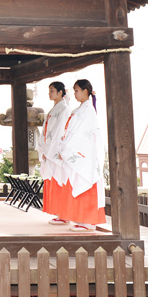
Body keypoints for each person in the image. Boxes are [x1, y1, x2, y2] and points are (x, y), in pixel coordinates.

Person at [45, 79, 106, 231]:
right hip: (73, 151)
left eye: (77, 90)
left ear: (86, 91)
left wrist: (66, 147)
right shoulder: (80, 109)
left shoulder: (88, 110)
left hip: (83, 155)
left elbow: (82, 135)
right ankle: (80, 219)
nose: (75, 94)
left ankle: (88, 221)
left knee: (84, 184)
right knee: (74, 185)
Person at [35, 81, 71, 225]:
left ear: (60, 92)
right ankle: (59, 213)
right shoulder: (55, 109)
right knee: (53, 182)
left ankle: (64, 214)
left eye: (52, 90)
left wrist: (49, 151)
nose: (49, 93)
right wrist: (44, 149)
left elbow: (59, 133)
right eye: (49, 91)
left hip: (55, 152)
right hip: (49, 151)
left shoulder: (64, 109)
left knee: (59, 181)